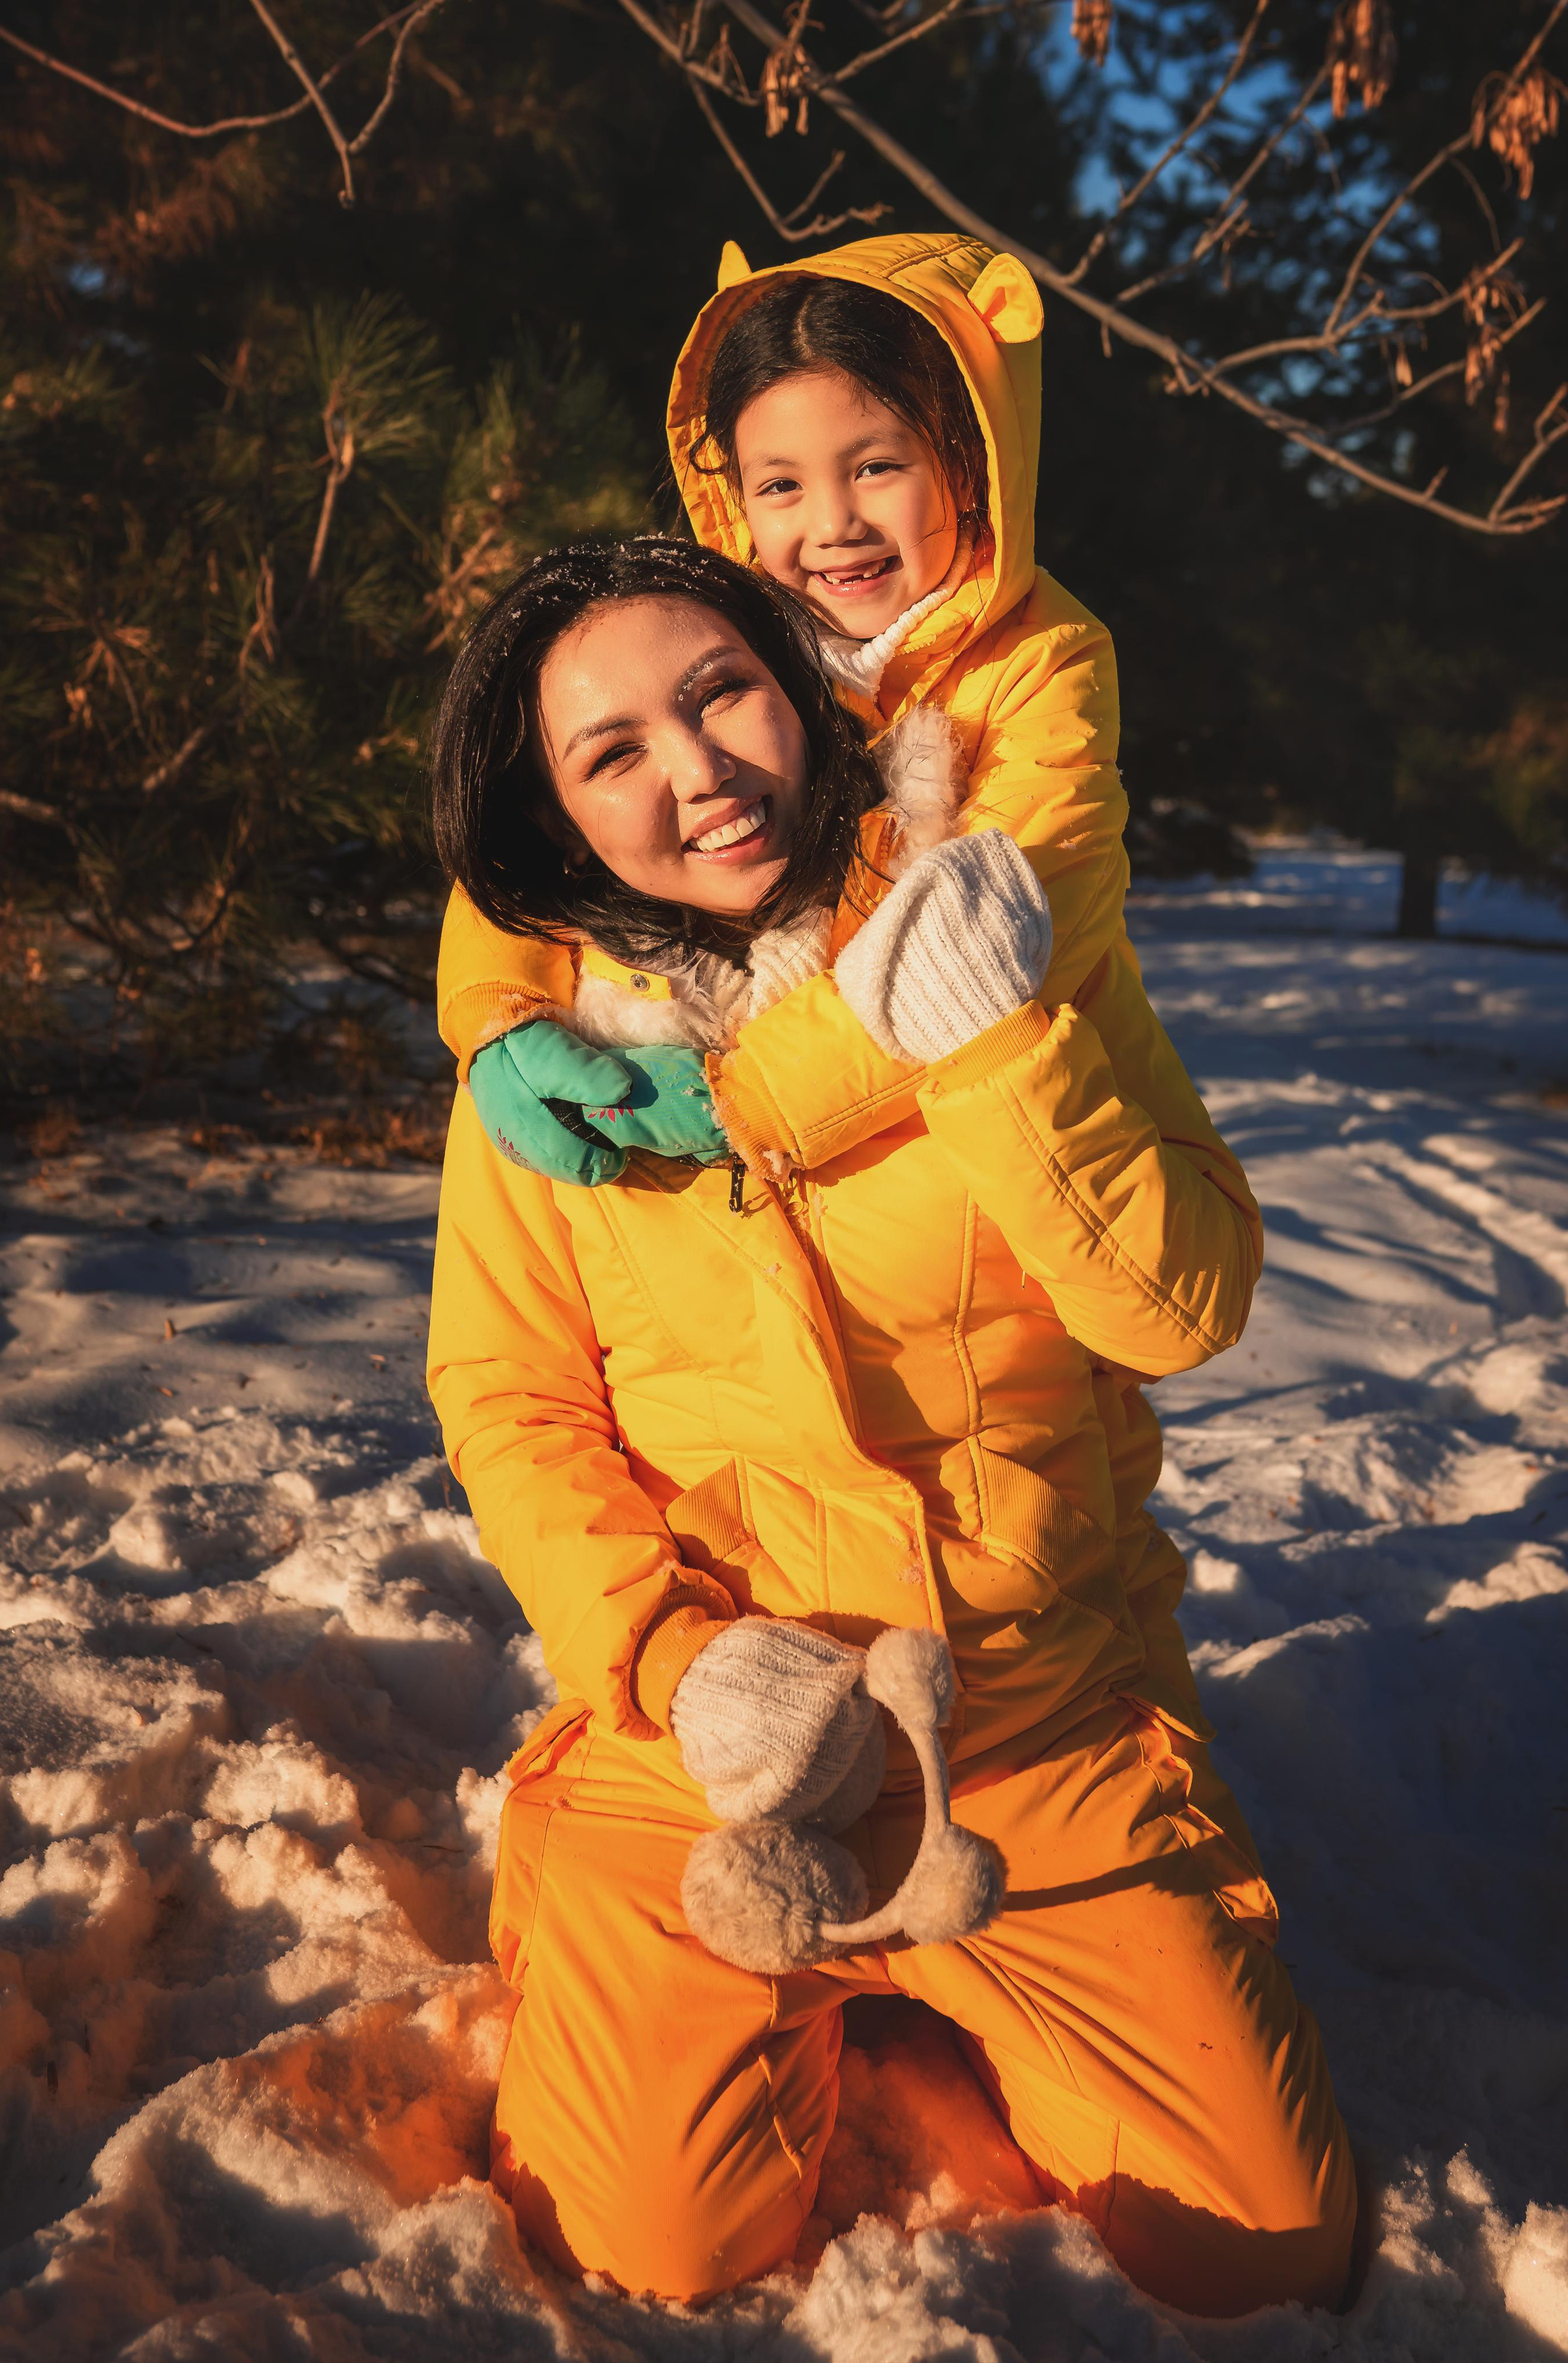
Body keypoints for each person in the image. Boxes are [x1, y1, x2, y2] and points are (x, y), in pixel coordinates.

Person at [426, 534, 1357, 2316]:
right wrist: (673, 1660)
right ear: (557, 817)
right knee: (639, 2259)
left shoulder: (989, 920)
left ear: (799, 685)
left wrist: (989, 1040)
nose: (698, 771)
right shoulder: (545, 1072)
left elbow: (1179, 1308)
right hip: (715, 1747)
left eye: (721, 695)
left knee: (1265, 2252)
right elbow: (511, 1398)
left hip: (1025, 1715)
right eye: (613, 752)